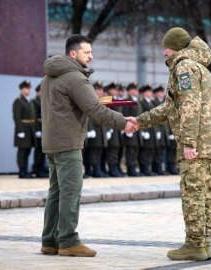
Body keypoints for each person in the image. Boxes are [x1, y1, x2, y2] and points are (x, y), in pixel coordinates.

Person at [125, 27, 211, 261]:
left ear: (175, 47)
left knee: (193, 194)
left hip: (197, 146)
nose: (164, 52)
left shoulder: (184, 67)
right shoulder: (198, 67)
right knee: (207, 196)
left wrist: (189, 143)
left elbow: (189, 107)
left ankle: (194, 245)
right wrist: (140, 121)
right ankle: (204, 244)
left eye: (166, 47)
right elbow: (171, 107)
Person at [40, 34, 132, 257]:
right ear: (73, 54)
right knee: (70, 192)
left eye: (91, 52)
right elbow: (95, 109)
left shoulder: (49, 77)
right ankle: (69, 241)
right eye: (86, 52)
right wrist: (123, 122)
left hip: (52, 142)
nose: (91, 56)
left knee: (56, 192)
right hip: (68, 143)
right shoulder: (74, 77)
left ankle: (50, 240)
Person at [13, 80, 36, 178]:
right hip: (23, 128)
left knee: (28, 151)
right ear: (22, 90)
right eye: (26, 88)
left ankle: (26, 170)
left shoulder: (29, 101)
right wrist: (20, 131)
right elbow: (16, 117)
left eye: (29, 88)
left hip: (30, 129)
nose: (28, 90)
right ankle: (22, 171)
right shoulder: (18, 101)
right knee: (22, 152)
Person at [122, 82, 143, 176]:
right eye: (133, 89)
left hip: (137, 129)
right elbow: (125, 114)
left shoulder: (138, 101)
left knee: (135, 150)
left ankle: (133, 168)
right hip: (130, 129)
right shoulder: (127, 101)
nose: (136, 91)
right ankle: (130, 170)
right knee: (130, 151)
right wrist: (126, 128)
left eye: (136, 89)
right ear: (129, 91)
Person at [138, 84, 158, 176]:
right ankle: (144, 168)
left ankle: (148, 168)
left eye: (150, 91)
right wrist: (143, 131)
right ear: (144, 93)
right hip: (145, 129)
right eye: (148, 91)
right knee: (145, 151)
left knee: (151, 150)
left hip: (152, 129)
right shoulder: (141, 103)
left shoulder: (152, 103)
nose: (150, 93)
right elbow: (140, 117)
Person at [152, 85, 169, 175]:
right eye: (160, 92)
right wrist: (156, 130)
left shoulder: (164, 103)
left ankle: (160, 168)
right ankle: (155, 168)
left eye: (163, 92)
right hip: (156, 130)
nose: (162, 94)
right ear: (156, 93)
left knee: (161, 150)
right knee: (156, 150)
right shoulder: (153, 102)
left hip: (164, 131)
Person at [32, 84, 47, 178]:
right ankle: (37, 169)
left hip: (45, 128)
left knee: (43, 150)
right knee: (38, 150)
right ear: (38, 92)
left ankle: (42, 168)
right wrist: (37, 130)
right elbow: (34, 117)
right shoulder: (34, 102)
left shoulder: (44, 101)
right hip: (39, 127)